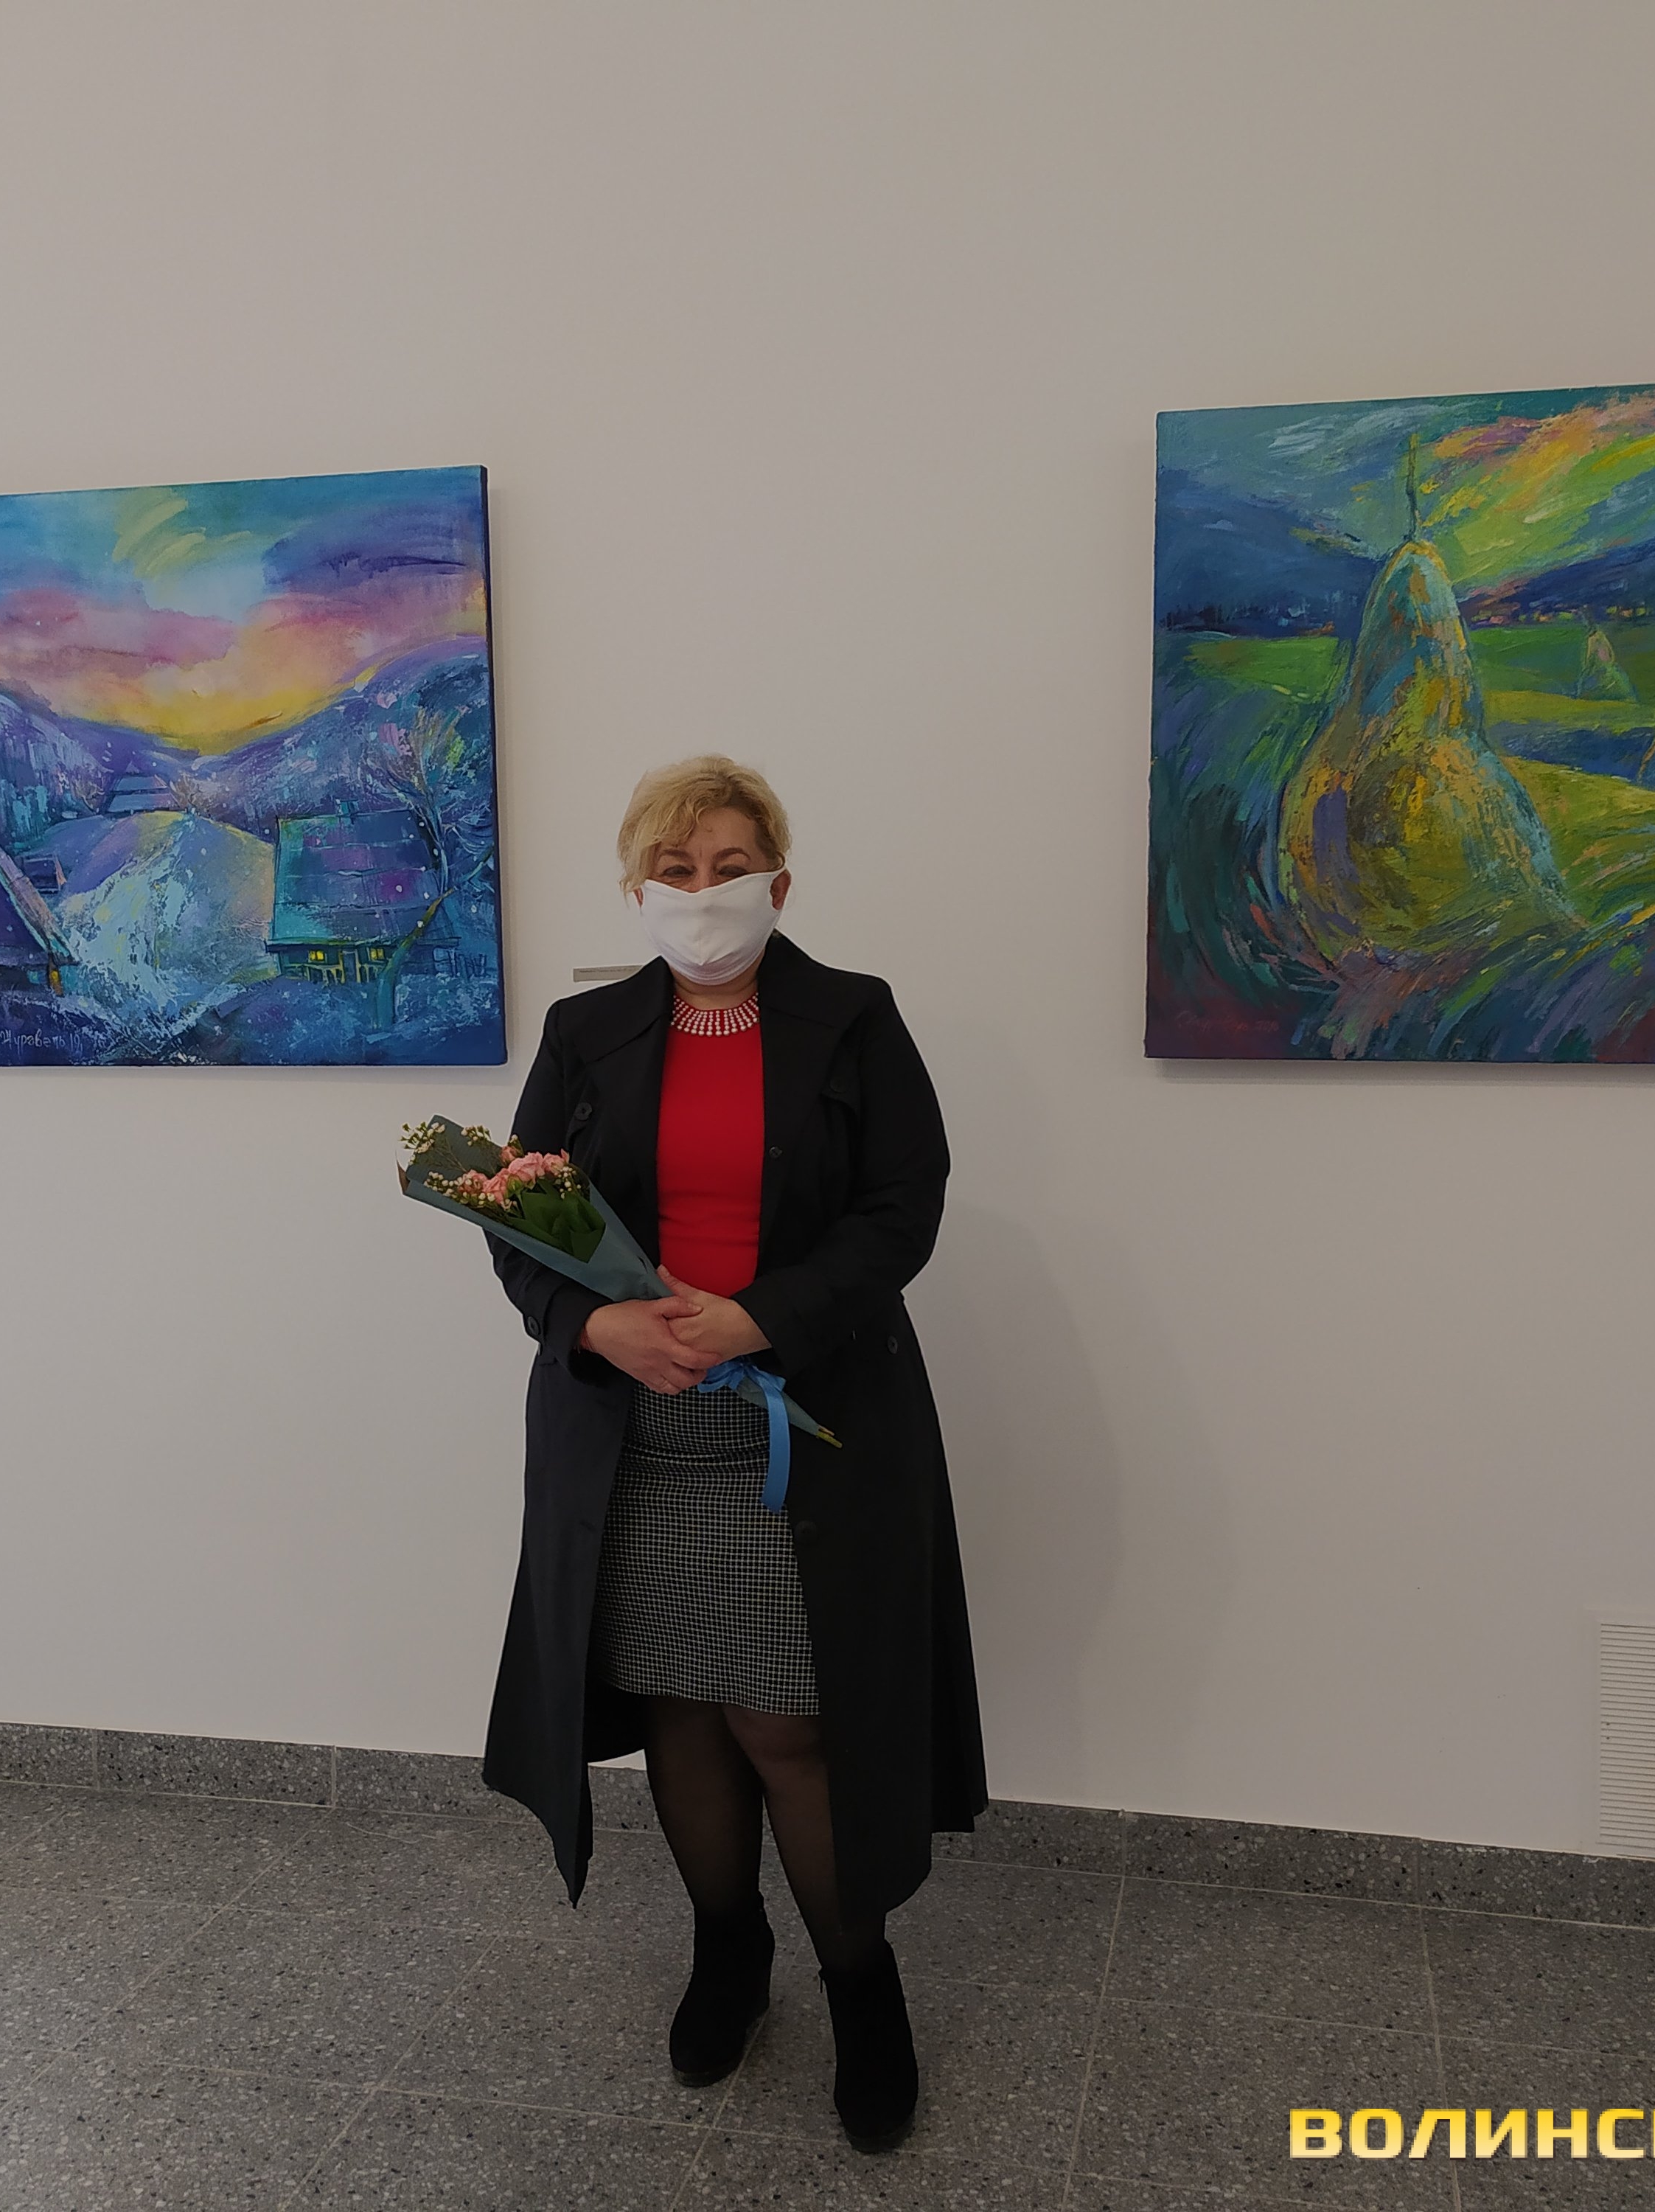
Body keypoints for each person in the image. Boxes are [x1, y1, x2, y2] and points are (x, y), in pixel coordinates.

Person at [481, 755, 987, 2152]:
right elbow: (519, 1222)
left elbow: (902, 1212)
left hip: (799, 1421)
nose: (703, 894)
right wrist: (594, 1326)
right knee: (680, 1708)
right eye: (676, 870)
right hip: (630, 1429)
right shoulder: (586, 1032)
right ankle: (729, 1949)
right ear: (638, 888)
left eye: (728, 867)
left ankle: (861, 1985)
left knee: (789, 1720)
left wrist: (762, 1315)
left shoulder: (853, 1018)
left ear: (780, 879)